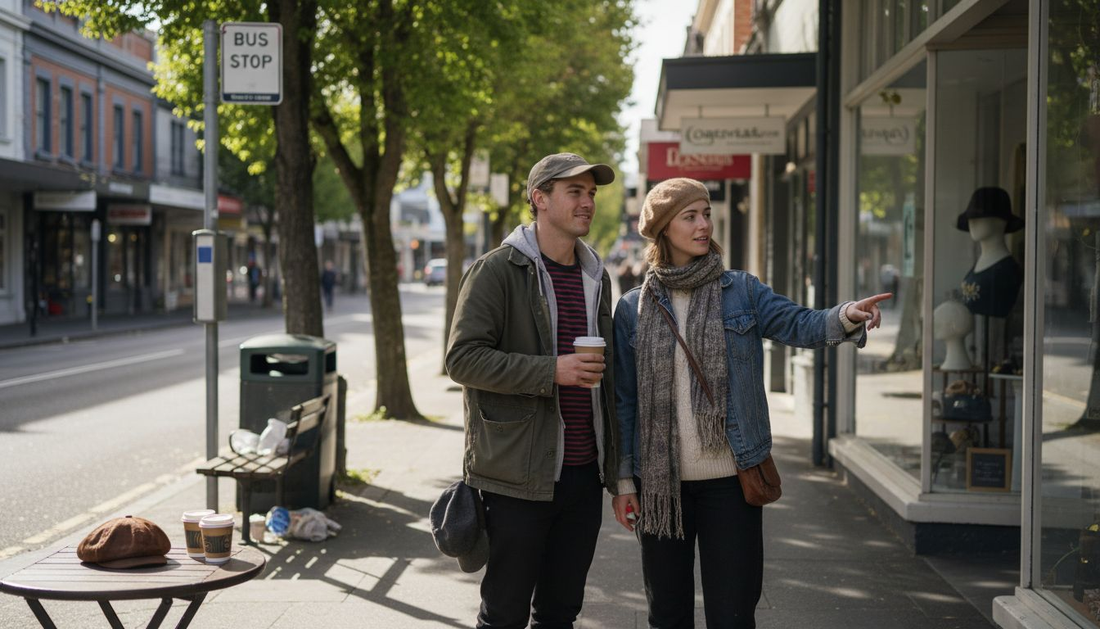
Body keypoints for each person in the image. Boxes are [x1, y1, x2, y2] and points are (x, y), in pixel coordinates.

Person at [611, 178, 891, 629]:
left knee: (734, 615)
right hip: (662, 487)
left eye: (706, 213)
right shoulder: (631, 309)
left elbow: (798, 322)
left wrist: (844, 316)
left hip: (731, 480)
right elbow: (624, 401)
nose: (704, 224)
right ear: (664, 228)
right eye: (691, 216)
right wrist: (624, 482)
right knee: (666, 615)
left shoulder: (740, 290)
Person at [446, 152, 620, 629]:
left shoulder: (596, 277)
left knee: (560, 613)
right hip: (517, 476)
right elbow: (461, 359)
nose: (587, 202)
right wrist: (552, 371)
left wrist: (619, 472)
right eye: (575, 192)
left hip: (584, 476)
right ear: (539, 199)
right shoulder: (496, 271)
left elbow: (607, 386)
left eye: (591, 193)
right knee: (503, 613)